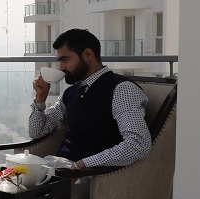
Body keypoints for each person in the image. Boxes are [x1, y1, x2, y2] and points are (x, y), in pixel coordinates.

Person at [30, 29, 152, 190]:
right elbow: (37, 132)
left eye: (65, 59)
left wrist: (82, 165)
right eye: (59, 61)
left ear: (88, 54)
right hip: (61, 169)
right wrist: (40, 99)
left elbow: (138, 144)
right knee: (10, 181)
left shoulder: (121, 89)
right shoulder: (72, 92)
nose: (61, 67)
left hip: (91, 176)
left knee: (19, 194)